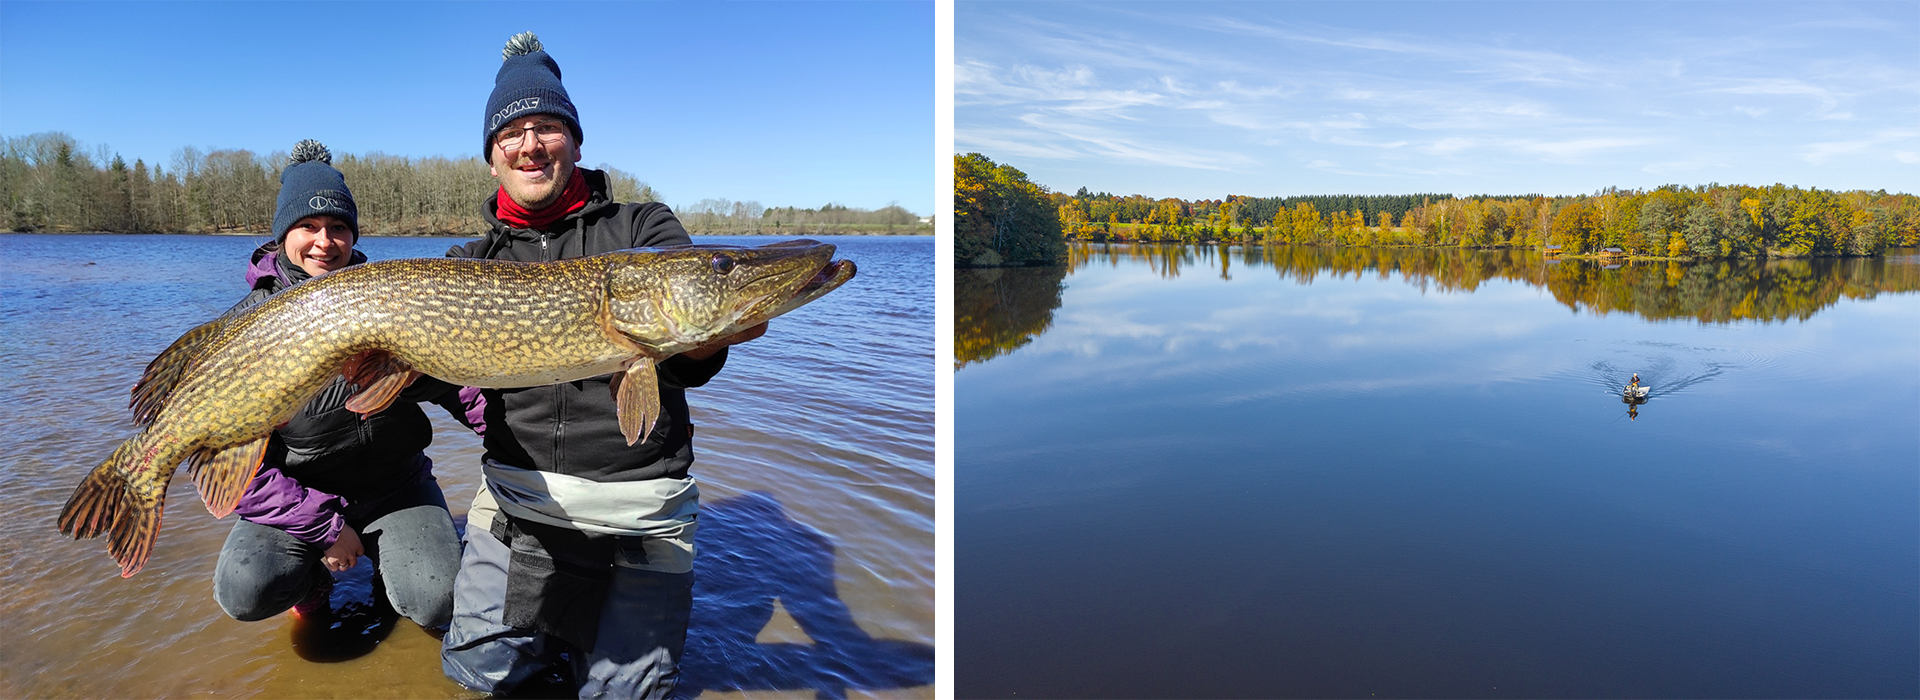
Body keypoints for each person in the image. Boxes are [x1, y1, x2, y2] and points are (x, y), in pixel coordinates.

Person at [440, 33, 765, 700]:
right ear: (492, 157)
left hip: (640, 513)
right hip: (518, 504)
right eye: (513, 132)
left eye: (548, 127)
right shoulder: (467, 265)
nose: (531, 143)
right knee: (477, 683)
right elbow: (434, 382)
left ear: (577, 143)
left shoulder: (644, 229)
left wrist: (709, 334)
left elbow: (685, 362)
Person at [211, 140, 480, 630]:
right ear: (281, 236)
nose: (324, 241)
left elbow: (461, 387)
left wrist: (519, 437)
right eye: (307, 227)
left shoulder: (393, 297)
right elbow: (229, 466)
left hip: (397, 488)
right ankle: (312, 586)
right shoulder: (250, 326)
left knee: (438, 600)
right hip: (301, 496)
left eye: (338, 228)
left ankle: (392, 578)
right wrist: (324, 527)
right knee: (245, 588)